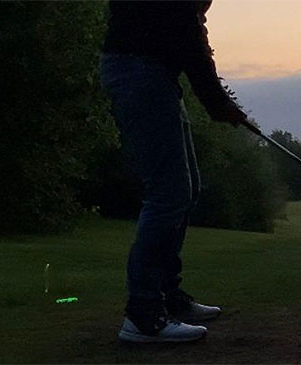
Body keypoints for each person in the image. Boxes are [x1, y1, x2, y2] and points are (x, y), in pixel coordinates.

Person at [99, 0, 248, 343]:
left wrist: (217, 100)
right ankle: (143, 315)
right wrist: (218, 102)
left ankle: (166, 297)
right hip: (139, 72)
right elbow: (187, 35)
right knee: (168, 193)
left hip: (154, 73)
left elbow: (191, 29)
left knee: (187, 188)